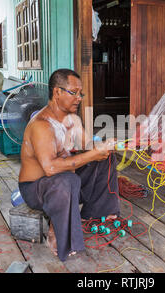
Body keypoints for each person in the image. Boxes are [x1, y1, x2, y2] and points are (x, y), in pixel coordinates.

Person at [18, 69, 120, 262]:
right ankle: (57, 232)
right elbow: (50, 169)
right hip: (36, 189)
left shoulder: (72, 119)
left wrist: (106, 145)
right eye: (74, 92)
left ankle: (97, 212)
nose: (79, 98)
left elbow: (88, 146)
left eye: (80, 93)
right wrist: (93, 153)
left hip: (64, 181)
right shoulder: (41, 125)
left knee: (104, 157)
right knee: (67, 178)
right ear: (57, 92)